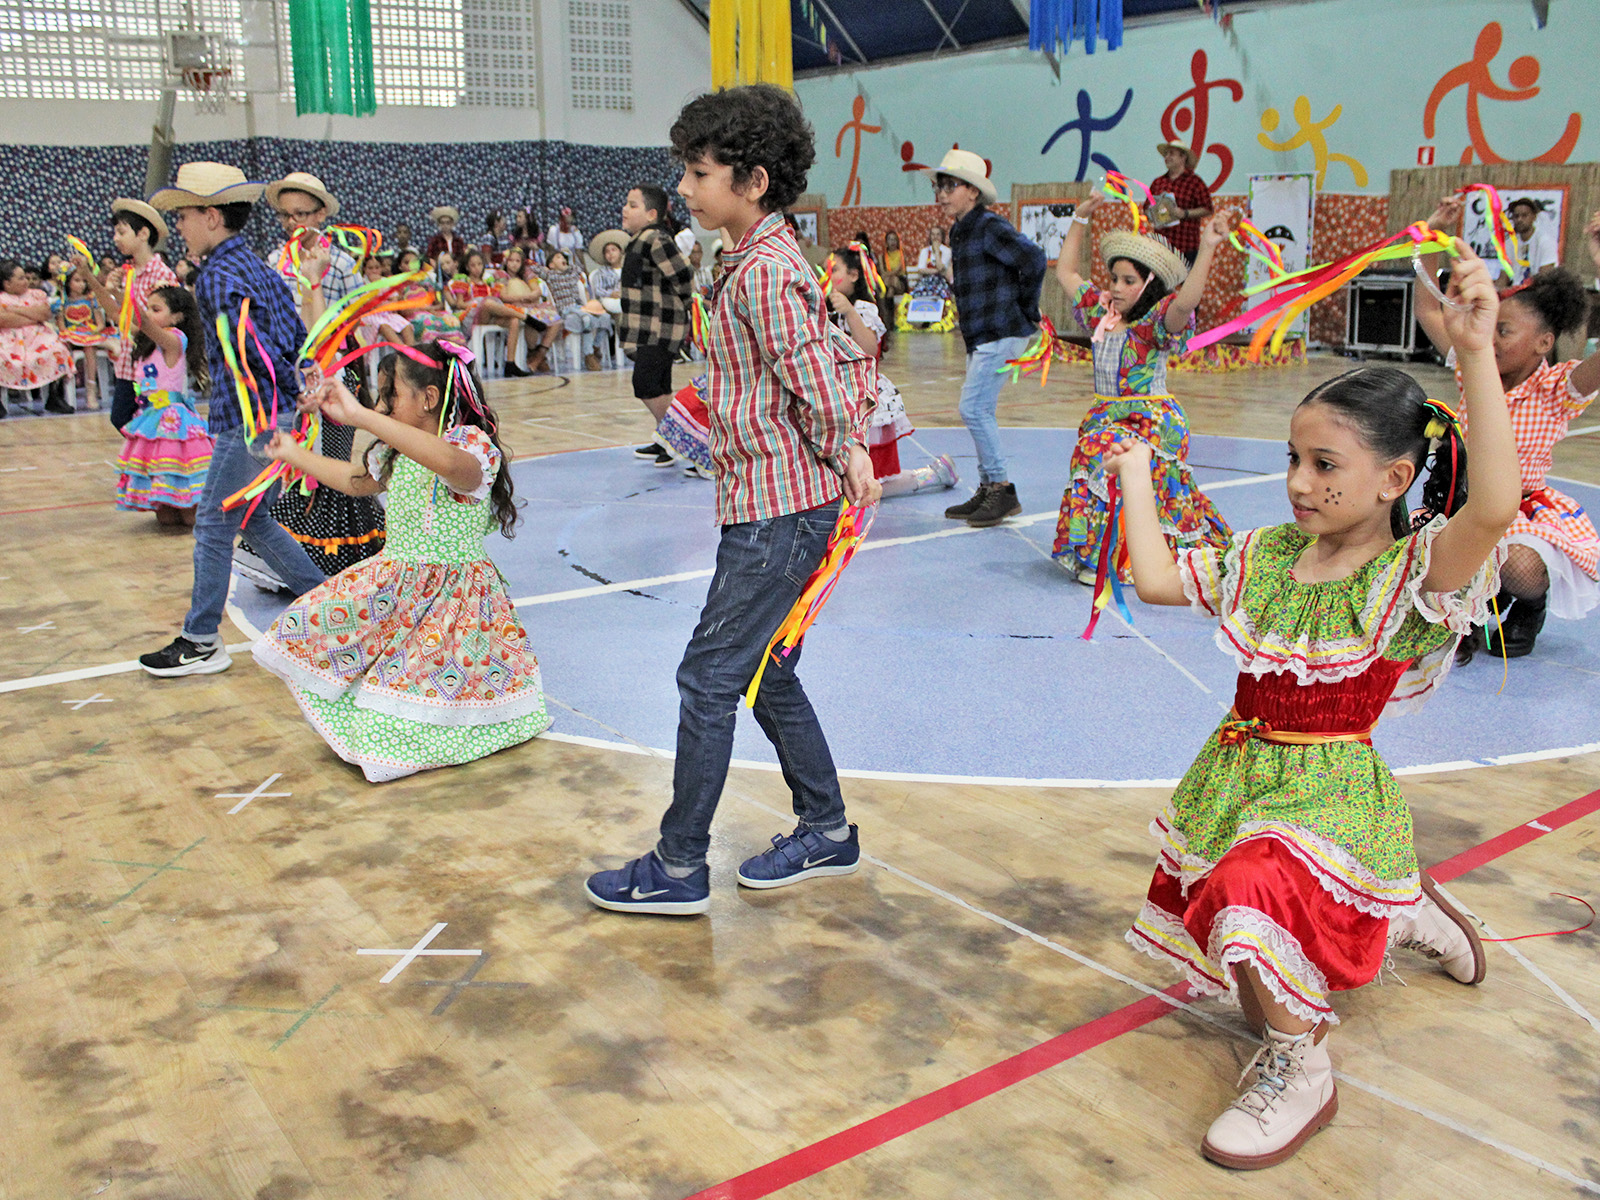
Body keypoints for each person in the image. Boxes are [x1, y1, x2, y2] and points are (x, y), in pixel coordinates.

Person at [1113, 246, 1517, 1170]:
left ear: (1394, 479)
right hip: (1238, 776)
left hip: (1332, 790)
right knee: (1238, 913)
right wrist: (1134, 470)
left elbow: (1494, 507)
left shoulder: (1411, 573)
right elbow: (1157, 578)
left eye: (1324, 463)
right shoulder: (1265, 556)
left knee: (1247, 892)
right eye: (1293, 459)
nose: (1299, 481)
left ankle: (1302, 1070)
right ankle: (1401, 904)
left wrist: (1475, 353)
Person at [586, 84, 882, 915]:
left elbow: (816, 381)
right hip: (775, 501)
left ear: (753, 181)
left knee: (709, 678)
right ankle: (827, 827)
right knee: (764, 670)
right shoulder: (752, 261)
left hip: (779, 514)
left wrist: (848, 447)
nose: (684, 187)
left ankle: (680, 866)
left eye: (699, 173)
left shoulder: (765, 273)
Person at [253, 344, 551, 781]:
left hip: (453, 605)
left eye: (390, 395)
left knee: (390, 726)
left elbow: (450, 464)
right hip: (397, 588)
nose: (382, 406)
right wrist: (292, 453)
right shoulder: (394, 452)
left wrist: (361, 416)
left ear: (428, 398)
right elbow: (355, 482)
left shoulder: (470, 446)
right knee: (303, 627)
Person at [137, 161, 328, 677]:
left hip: (250, 416)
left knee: (215, 521)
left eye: (184, 215)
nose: (179, 225)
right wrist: (300, 383)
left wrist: (285, 393)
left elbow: (249, 351)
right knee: (250, 517)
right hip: (273, 411)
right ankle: (329, 606)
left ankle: (201, 639)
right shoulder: (258, 268)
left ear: (212, 216)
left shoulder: (219, 275)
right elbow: (295, 338)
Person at [1416, 197, 1600, 659]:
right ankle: (1465, 610)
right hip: (1461, 501)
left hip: (1519, 510)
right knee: (1419, 556)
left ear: (1543, 343)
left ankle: (1526, 606)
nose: (1490, 336)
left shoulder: (1558, 388)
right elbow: (1427, 309)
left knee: (1519, 567)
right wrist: (1432, 238)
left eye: (1504, 330)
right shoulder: (1472, 365)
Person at [1050, 195, 1234, 584]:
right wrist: (1080, 218)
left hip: (1152, 420)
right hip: (1106, 415)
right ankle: (1101, 555)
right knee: (1092, 454)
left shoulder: (1154, 322)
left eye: (1128, 281)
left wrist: (1207, 247)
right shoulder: (1100, 313)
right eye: (1114, 278)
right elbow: (1065, 271)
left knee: (1104, 454)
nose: (1116, 287)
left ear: (1148, 284)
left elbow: (1186, 302)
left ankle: (1126, 561)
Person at [239, 171, 386, 592]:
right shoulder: (275, 261)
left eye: (302, 214)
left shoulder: (341, 263)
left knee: (327, 467)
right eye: (286, 215)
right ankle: (291, 562)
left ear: (322, 214)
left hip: (333, 375)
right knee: (293, 467)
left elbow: (358, 317)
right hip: (287, 378)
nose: (293, 223)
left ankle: (333, 558)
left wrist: (329, 348)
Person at [928, 148, 1047, 528]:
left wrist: (1026, 307)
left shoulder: (989, 227)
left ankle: (1001, 488)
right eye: (939, 187)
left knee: (974, 409)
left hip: (1002, 329)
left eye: (950, 186)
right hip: (980, 334)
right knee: (980, 409)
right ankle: (987, 487)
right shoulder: (961, 230)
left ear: (973, 192)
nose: (942, 194)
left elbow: (1034, 259)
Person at [826, 244, 957, 497]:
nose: (829, 275)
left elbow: (869, 351)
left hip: (863, 401)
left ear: (854, 275)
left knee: (870, 484)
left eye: (835, 269)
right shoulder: (828, 311)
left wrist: (850, 312)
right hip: (841, 398)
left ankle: (934, 474)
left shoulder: (862, 309)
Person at [73, 198, 177, 431]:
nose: (115, 238)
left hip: (152, 366)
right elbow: (115, 314)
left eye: (121, 232)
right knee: (122, 419)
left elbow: (143, 326)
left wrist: (118, 295)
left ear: (143, 234)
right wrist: (89, 277)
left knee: (153, 423)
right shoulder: (127, 273)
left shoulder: (162, 276)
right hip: (129, 364)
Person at [114, 285, 212, 525]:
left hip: (173, 420)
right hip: (150, 416)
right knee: (165, 517)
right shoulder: (147, 340)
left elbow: (141, 320)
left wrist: (123, 292)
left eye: (155, 309)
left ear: (177, 317)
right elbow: (118, 314)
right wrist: (95, 281)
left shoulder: (175, 340)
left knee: (190, 516)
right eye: (147, 308)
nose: (148, 313)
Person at [617, 183, 694, 466]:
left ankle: (684, 440)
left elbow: (684, 275)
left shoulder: (655, 239)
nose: (625, 210)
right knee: (660, 385)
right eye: (626, 203)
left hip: (660, 328)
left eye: (633, 205)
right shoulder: (640, 240)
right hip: (648, 328)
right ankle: (666, 439)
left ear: (652, 214)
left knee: (646, 383)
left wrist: (682, 305)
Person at [0, 258, 75, 414]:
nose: (26, 281)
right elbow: (4, 320)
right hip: (9, 339)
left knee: (58, 349)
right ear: (7, 284)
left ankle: (55, 397)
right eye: (21, 278)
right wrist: (33, 316)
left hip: (38, 337)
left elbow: (45, 314)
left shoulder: (37, 294)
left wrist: (16, 310)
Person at [529, 249, 609, 372]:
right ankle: (588, 355)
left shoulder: (572, 273)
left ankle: (595, 346)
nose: (562, 259)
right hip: (565, 309)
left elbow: (578, 268)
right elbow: (533, 268)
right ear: (551, 264)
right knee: (586, 318)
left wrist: (569, 258)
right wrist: (545, 268)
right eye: (558, 257)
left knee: (605, 318)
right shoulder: (550, 275)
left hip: (579, 307)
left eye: (563, 257)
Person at [1149, 139, 1214, 268]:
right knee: (1160, 281)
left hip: (1186, 247)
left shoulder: (1195, 182)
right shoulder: (1158, 182)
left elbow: (1208, 209)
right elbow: (1147, 208)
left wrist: (1185, 213)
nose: (1167, 157)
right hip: (1161, 247)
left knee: (1189, 281)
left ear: (1183, 157)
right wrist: (1154, 214)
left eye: (1171, 153)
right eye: (1166, 154)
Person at [54, 269, 111, 410]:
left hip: (88, 334)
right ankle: (62, 387)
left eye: (84, 281)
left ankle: (91, 388)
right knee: (61, 348)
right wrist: (69, 335)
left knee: (90, 347)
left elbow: (100, 324)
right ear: (68, 282)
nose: (82, 284)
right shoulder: (62, 302)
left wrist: (91, 332)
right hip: (71, 336)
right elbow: (62, 326)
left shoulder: (91, 300)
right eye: (77, 280)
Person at [1505, 196, 1558, 285]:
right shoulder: (1510, 243)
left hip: (1538, 290)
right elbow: (1503, 277)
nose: (1519, 220)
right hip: (1515, 290)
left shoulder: (1545, 242)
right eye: (1516, 216)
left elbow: (1545, 279)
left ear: (1534, 217)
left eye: (1524, 215)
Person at [882, 229, 908, 296]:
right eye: (890, 239)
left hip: (900, 280)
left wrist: (888, 275)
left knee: (894, 280)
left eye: (894, 239)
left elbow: (897, 270)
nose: (892, 242)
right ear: (886, 242)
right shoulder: (882, 256)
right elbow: (882, 272)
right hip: (887, 280)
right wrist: (887, 275)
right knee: (890, 286)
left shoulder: (901, 254)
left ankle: (888, 299)